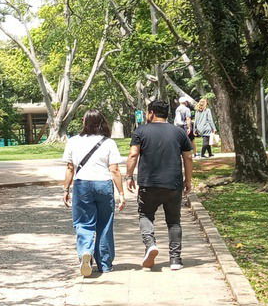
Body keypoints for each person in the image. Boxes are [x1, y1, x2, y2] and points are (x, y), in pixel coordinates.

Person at [126, 100, 194, 270]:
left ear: (151, 113)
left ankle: (150, 244)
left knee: (146, 215)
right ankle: (175, 260)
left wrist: (128, 176)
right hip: (173, 183)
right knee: (174, 221)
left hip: (148, 184)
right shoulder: (179, 132)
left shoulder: (141, 131)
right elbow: (188, 157)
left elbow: (133, 155)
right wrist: (188, 180)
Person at [61, 110, 126, 276]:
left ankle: (85, 251)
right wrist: (121, 194)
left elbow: (70, 168)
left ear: (84, 122)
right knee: (105, 224)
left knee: (83, 223)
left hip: (82, 185)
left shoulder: (73, 141)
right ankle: (105, 263)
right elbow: (115, 170)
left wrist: (66, 189)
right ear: (101, 122)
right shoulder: (109, 143)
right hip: (104, 184)